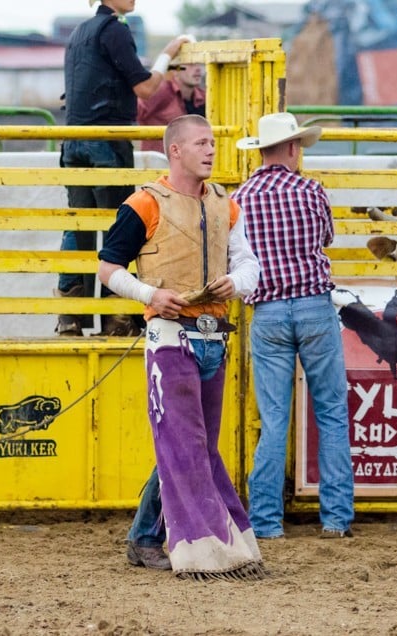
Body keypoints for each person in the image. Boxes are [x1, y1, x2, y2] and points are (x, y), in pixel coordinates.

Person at [98, 114, 265, 579]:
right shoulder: (144, 204)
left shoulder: (224, 204)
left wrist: (236, 282)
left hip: (210, 333)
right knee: (190, 443)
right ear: (175, 151)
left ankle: (147, 537)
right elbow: (108, 269)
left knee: (191, 444)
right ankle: (199, 544)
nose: (211, 150)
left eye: (212, 143)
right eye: (201, 144)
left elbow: (248, 263)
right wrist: (151, 296)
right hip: (172, 334)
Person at [232, 112, 354, 540]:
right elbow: (325, 238)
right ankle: (336, 518)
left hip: (267, 312)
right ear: (291, 148)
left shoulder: (240, 197)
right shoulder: (311, 190)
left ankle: (266, 522)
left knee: (274, 419)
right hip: (313, 307)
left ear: (262, 150)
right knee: (332, 413)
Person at [56, 0, 192, 336]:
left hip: (73, 140)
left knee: (79, 226)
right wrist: (167, 56)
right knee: (118, 228)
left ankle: (69, 316)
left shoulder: (79, 32)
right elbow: (145, 87)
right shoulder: (115, 29)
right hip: (107, 140)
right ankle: (117, 319)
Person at [137, 64, 206, 152]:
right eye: (190, 64)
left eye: (199, 63)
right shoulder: (161, 91)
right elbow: (136, 111)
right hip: (160, 161)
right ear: (174, 70)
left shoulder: (205, 97)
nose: (198, 68)